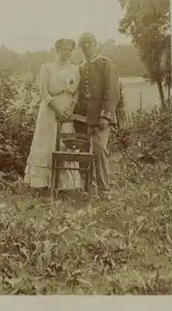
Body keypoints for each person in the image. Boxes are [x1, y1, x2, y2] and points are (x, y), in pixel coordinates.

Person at [24, 38, 81, 192]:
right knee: (48, 142)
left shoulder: (75, 69)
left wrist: (69, 110)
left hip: (67, 112)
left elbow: (76, 93)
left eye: (70, 49)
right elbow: (44, 92)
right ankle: (42, 184)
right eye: (65, 49)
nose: (68, 52)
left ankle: (65, 185)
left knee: (65, 143)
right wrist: (57, 109)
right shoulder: (47, 68)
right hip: (50, 111)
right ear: (57, 50)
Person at [74, 32, 119, 198]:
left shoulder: (105, 64)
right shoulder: (80, 66)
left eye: (88, 43)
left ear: (95, 44)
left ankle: (104, 190)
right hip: (82, 117)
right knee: (83, 151)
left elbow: (111, 91)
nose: (86, 46)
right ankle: (87, 188)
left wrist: (105, 115)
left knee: (99, 149)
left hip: (100, 116)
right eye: (82, 43)